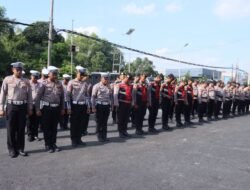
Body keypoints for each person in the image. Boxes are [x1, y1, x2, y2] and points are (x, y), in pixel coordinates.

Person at [0, 62, 32, 158]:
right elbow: (2, 94)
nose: (19, 71)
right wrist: (1, 108)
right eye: (17, 69)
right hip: (11, 106)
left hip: (22, 106)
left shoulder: (26, 81)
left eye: (20, 70)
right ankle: (12, 149)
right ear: (13, 70)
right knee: (11, 129)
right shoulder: (7, 79)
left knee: (21, 128)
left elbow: (29, 95)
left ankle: (20, 148)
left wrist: (29, 108)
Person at [35, 66, 64, 153]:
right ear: (49, 74)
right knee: (47, 127)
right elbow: (38, 97)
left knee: (54, 128)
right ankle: (48, 144)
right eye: (53, 74)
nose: (55, 76)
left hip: (56, 108)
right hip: (47, 108)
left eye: (56, 74)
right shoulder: (43, 84)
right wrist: (37, 109)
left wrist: (62, 108)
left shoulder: (59, 84)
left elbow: (62, 97)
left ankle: (53, 143)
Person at [67, 66, 90, 147]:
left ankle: (79, 139)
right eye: (81, 74)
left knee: (81, 123)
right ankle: (73, 140)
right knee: (74, 124)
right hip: (74, 105)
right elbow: (68, 96)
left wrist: (88, 107)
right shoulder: (71, 82)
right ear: (77, 73)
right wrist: (69, 107)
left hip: (83, 105)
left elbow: (87, 96)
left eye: (83, 74)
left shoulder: (85, 84)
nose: (82, 76)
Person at [91, 73, 112, 142]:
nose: (106, 80)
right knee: (99, 122)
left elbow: (110, 96)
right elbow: (93, 97)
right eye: (105, 78)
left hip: (107, 106)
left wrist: (111, 105)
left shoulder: (109, 86)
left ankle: (104, 136)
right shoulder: (96, 86)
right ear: (101, 78)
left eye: (107, 78)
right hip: (99, 105)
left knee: (105, 122)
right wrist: (93, 107)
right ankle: (99, 136)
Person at [114, 74, 133, 138]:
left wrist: (132, 102)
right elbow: (115, 95)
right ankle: (120, 132)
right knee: (121, 119)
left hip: (128, 104)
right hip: (121, 104)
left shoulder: (130, 85)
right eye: (127, 79)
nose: (128, 80)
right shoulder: (119, 85)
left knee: (126, 118)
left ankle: (125, 131)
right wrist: (116, 104)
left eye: (129, 79)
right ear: (124, 78)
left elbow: (131, 95)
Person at [27, 70, 42, 142]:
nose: (35, 79)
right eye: (34, 77)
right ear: (31, 76)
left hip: (37, 105)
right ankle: (30, 135)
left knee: (36, 121)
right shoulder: (27, 83)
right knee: (29, 121)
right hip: (29, 104)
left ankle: (35, 135)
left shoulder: (40, 85)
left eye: (36, 77)